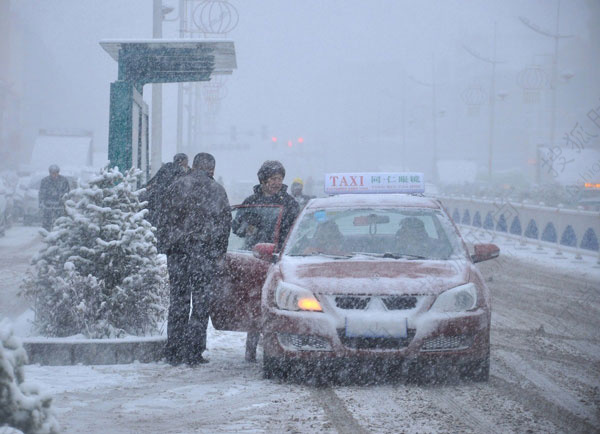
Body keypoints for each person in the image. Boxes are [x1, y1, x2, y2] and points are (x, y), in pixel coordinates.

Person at [161, 153, 231, 366]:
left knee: (179, 301)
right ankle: (194, 351)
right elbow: (224, 224)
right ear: (212, 168)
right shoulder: (217, 191)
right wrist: (219, 251)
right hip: (204, 253)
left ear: (193, 166)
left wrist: (168, 246)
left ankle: (174, 351)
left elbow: (163, 218)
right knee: (201, 303)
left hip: (178, 251)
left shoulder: (176, 186)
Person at [233, 160, 300, 362]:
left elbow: (296, 231)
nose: (276, 182)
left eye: (279, 178)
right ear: (262, 180)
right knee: (254, 301)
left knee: (278, 302)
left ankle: (280, 346)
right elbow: (237, 228)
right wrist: (247, 228)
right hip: (254, 258)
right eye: (272, 179)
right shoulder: (251, 201)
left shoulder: (289, 203)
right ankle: (251, 348)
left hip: (279, 259)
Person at [142, 154, 188, 251]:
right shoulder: (181, 174)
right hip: (169, 215)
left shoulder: (165, 169)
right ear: (183, 162)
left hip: (156, 209)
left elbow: (150, 183)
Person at [39, 164, 70, 231]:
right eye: (52, 173)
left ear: (58, 172)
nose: (54, 175)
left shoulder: (63, 181)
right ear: (50, 173)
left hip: (60, 206)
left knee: (61, 224)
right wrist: (42, 203)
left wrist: (65, 203)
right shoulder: (45, 181)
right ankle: (46, 234)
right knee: (46, 223)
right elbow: (41, 193)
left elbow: (67, 192)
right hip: (48, 207)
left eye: (56, 173)